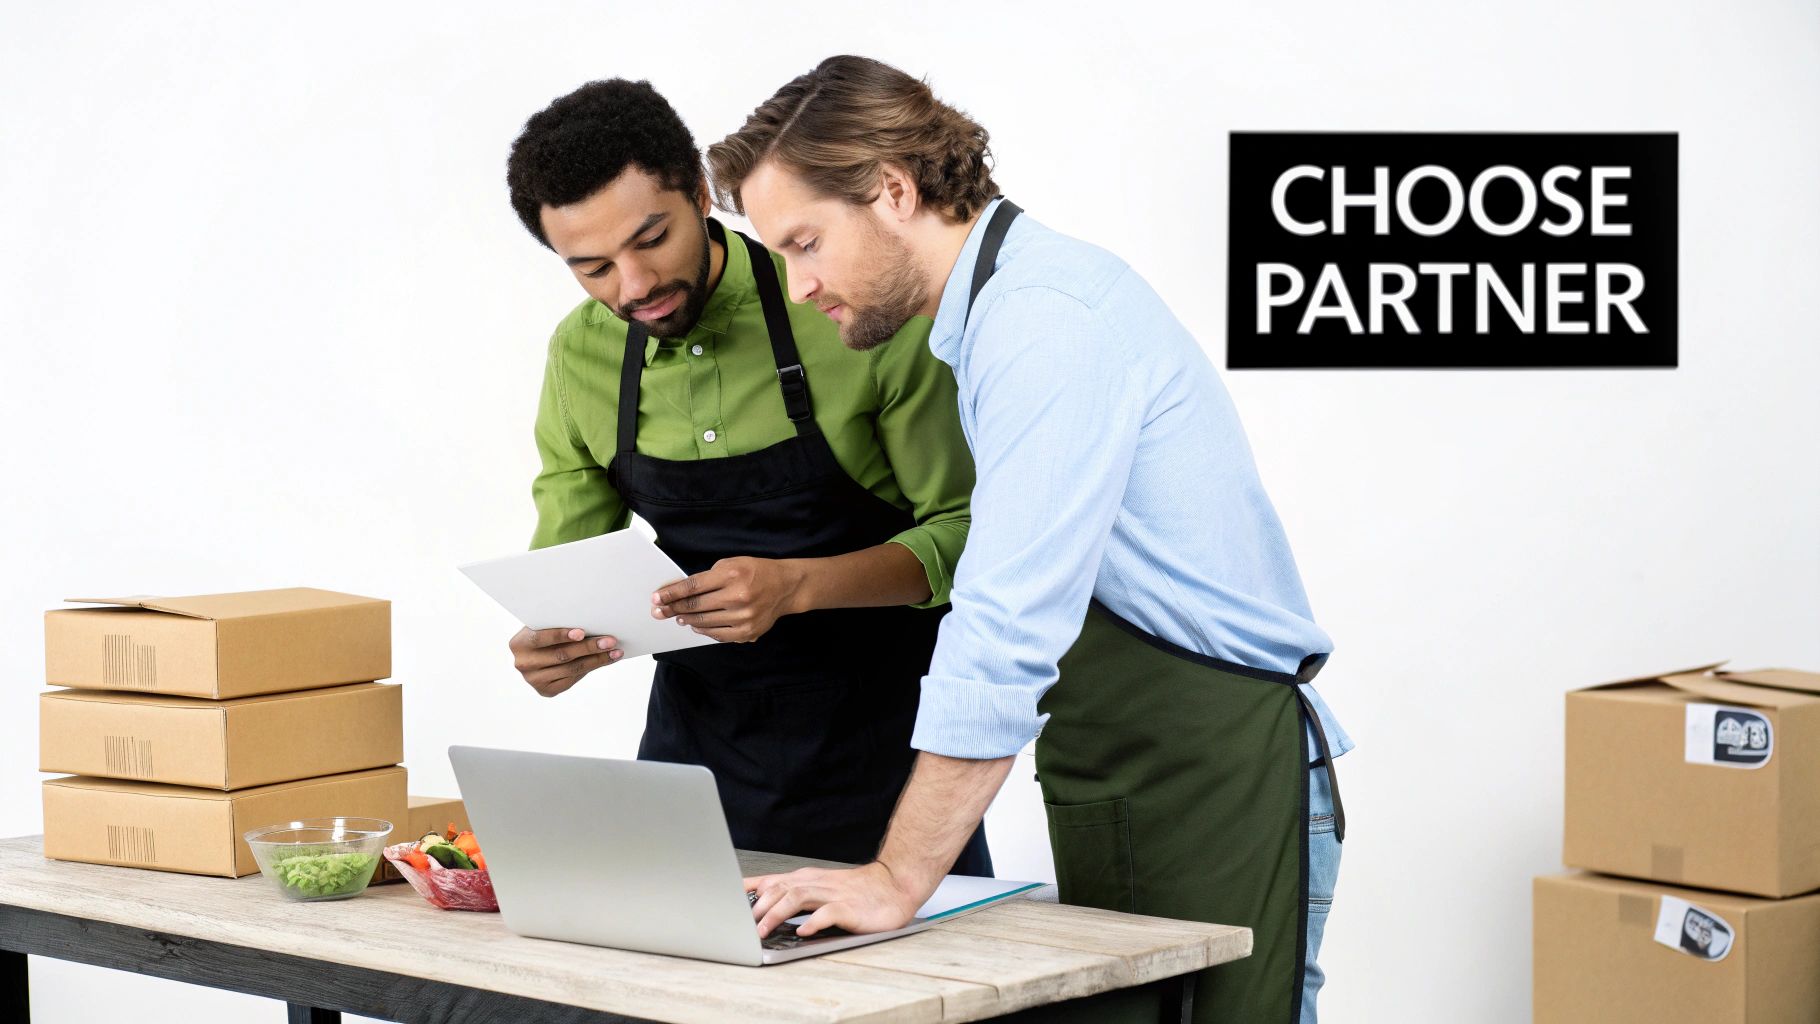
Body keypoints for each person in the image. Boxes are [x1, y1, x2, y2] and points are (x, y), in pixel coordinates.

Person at [708, 56, 1352, 1023]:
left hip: (1217, 774)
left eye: (806, 244)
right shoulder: (996, 317)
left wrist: (896, 877)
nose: (798, 286)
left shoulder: (1043, 323)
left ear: (893, 191)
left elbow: (1005, 626)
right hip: (1135, 768)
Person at [502, 78, 991, 874]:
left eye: (652, 239)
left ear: (701, 194)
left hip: (886, 770)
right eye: (592, 268)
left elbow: (969, 535)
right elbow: (568, 570)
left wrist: (796, 585)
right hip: (693, 773)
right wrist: (550, 644)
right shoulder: (580, 353)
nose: (634, 286)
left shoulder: (850, 309)